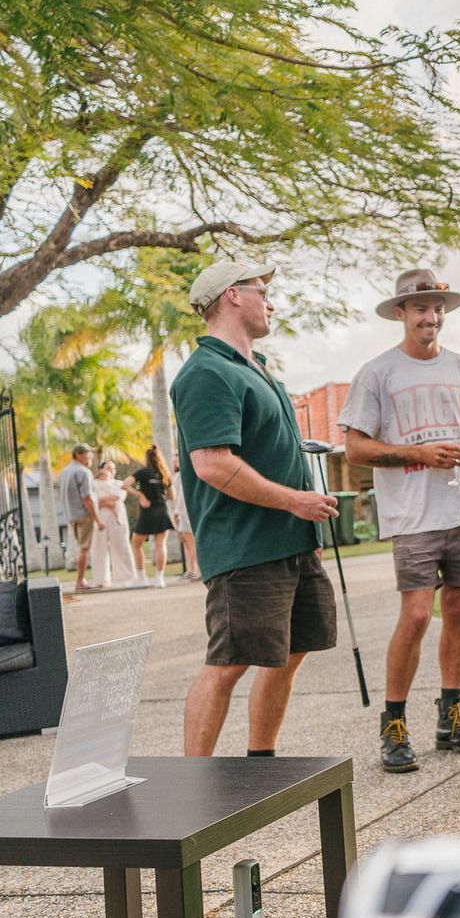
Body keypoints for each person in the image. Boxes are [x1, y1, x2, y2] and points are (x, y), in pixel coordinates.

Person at [340, 268, 460, 773]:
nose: (430, 316)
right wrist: (420, 453)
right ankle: (394, 725)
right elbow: (354, 450)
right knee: (415, 615)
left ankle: (451, 718)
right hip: (413, 514)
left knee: (458, 609)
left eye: (436, 308)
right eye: (419, 308)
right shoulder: (377, 373)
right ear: (400, 313)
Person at [171, 260, 339, 757]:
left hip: (291, 542)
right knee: (229, 663)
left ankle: (261, 760)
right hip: (245, 548)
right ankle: (192, 784)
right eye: (261, 291)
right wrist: (296, 501)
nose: (270, 301)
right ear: (231, 297)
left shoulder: (257, 369)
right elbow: (213, 466)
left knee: (291, 650)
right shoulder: (206, 372)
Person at [127, 445, 175, 588]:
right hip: (162, 510)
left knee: (136, 544)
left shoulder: (143, 472)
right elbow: (173, 496)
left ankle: (142, 578)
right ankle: (159, 579)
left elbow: (124, 485)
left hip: (147, 512)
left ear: (146, 458)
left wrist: (140, 495)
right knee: (161, 545)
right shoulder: (164, 473)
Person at [57, 444, 103, 592]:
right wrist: (97, 519)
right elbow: (87, 497)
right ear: (79, 454)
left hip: (71, 515)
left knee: (82, 548)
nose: (91, 457)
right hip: (84, 515)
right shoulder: (83, 472)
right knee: (85, 548)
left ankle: (80, 580)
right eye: (89, 453)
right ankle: (80, 581)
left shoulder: (65, 471)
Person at [90, 460, 138, 587]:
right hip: (99, 518)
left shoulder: (119, 484)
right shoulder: (93, 484)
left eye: (113, 468)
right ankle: (101, 580)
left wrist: (101, 501)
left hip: (118, 518)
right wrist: (103, 500)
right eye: (107, 467)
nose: (110, 470)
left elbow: (116, 498)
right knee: (99, 547)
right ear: (101, 469)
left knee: (121, 545)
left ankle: (127, 576)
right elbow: (92, 500)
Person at [169, 452, 201, 581]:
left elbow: (181, 496)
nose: (175, 461)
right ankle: (192, 569)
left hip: (185, 512)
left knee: (192, 543)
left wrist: (176, 512)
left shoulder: (184, 475)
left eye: (177, 458)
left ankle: (197, 571)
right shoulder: (178, 475)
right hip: (183, 512)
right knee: (188, 543)